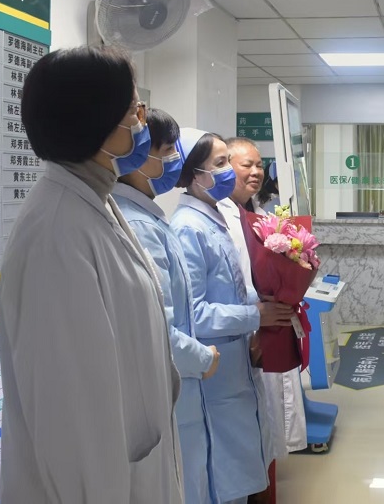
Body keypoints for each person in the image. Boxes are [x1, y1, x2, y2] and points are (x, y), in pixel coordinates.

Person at [0, 46, 183, 503]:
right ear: (94, 120)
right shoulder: (56, 233)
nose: (141, 122)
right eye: (134, 111)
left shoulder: (95, 203)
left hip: (135, 470)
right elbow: (72, 423)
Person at [171, 129, 294, 504]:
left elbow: (235, 288)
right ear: (196, 174)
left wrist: (268, 305)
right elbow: (193, 315)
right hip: (214, 376)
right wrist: (255, 316)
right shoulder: (188, 229)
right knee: (220, 481)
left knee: (241, 474)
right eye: (221, 163)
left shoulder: (216, 219)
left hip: (237, 367)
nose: (231, 172)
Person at [112, 107, 220, 504]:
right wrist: (202, 358)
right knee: (183, 483)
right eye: (168, 150)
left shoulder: (147, 216)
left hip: (177, 385)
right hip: (172, 384)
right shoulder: (140, 226)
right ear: (141, 157)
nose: (175, 158)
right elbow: (157, 323)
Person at [219, 137, 308, 503]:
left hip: (262, 329)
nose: (256, 172)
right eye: (246, 165)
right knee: (245, 434)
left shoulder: (257, 214)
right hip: (237, 334)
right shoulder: (217, 217)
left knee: (264, 427)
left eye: (259, 165)